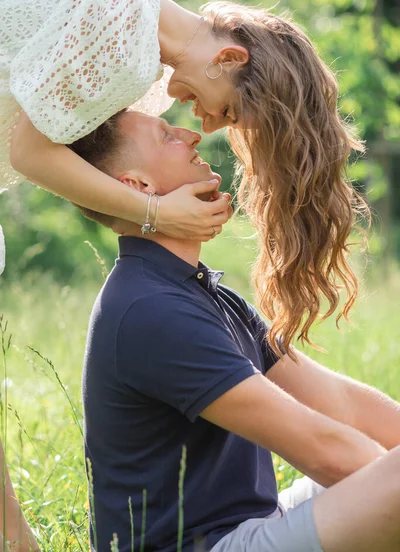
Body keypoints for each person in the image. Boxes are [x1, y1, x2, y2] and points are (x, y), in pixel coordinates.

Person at [71, 109, 400, 552]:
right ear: (139, 187)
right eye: (167, 135)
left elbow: (340, 403)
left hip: (254, 524)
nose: (191, 135)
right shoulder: (149, 310)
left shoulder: (195, 289)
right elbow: (323, 449)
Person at [2, 0, 367, 356]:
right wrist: (157, 212)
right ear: (228, 58)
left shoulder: (147, 60)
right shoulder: (119, 10)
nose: (207, 128)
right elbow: (29, 154)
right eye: (227, 111)